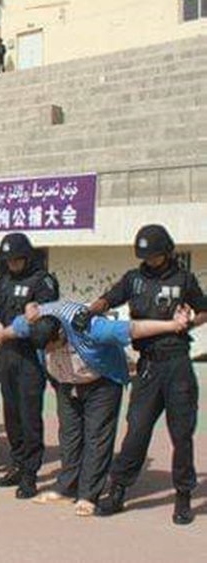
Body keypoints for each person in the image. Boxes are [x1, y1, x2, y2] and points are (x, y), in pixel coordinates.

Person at [0, 299, 193, 517]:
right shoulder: (34, 320)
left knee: (96, 437)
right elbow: (16, 328)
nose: (50, 351)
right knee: (69, 436)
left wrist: (173, 326)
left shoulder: (91, 327)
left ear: (61, 333)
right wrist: (0, 334)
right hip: (67, 382)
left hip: (101, 382)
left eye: (52, 346)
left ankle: (89, 495)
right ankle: (67, 488)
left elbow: (133, 329)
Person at [92, 224, 207, 525]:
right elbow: (109, 298)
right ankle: (118, 489)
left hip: (177, 364)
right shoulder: (134, 279)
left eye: (154, 255)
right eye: (145, 256)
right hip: (148, 366)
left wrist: (190, 322)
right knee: (137, 430)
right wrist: (91, 310)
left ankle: (183, 495)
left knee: (181, 435)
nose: (150, 260)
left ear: (166, 252)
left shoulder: (184, 279)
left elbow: (204, 309)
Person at [0, 232, 59, 498]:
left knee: (30, 416)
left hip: (31, 358)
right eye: (8, 260)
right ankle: (17, 464)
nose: (13, 264)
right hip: (7, 355)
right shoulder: (6, 279)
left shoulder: (43, 282)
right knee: (11, 415)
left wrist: (14, 329)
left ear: (27, 256)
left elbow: (46, 325)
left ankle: (30, 474)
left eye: (17, 259)